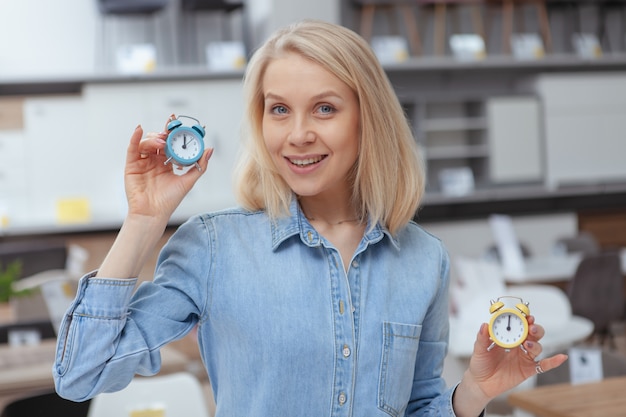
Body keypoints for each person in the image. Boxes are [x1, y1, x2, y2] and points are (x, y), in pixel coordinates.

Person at [53, 19, 566, 417]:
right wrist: (144, 218)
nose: (297, 134)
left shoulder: (423, 258)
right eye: (279, 110)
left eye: (324, 108)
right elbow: (80, 376)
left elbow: (419, 404)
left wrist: (471, 394)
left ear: (369, 120)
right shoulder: (213, 247)